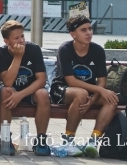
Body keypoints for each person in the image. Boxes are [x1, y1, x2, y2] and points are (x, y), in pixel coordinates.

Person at [49, 14, 117, 158]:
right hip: (62, 89)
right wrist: (98, 90)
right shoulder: (65, 49)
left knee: (112, 99)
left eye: (90, 29)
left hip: (89, 94)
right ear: (73, 34)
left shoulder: (98, 50)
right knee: (80, 94)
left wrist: (92, 100)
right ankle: (68, 141)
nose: (88, 33)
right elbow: (71, 81)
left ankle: (93, 141)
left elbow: (102, 81)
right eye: (83, 30)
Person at [0, 20, 50, 156]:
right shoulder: (1, 53)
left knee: (43, 94)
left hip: (31, 91)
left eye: (22, 36)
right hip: (11, 92)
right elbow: (8, 82)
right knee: (4, 92)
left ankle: (41, 140)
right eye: (16, 38)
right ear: (6, 41)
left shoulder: (33, 49)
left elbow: (41, 80)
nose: (21, 41)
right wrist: (18, 57)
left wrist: (20, 95)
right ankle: (5, 139)